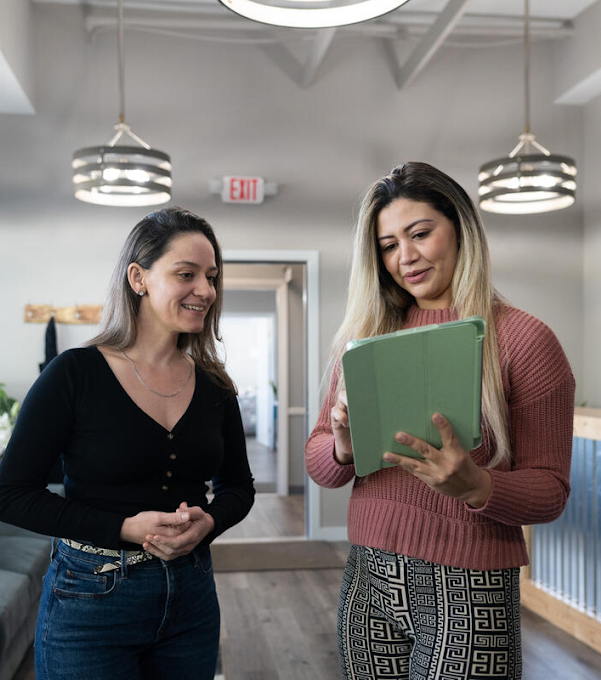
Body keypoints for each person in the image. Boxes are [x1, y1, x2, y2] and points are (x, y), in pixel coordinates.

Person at [305, 162, 575, 680]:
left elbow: (552, 491)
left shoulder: (525, 341)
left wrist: (477, 485)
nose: (405, 257)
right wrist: (342, 446)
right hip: (369, 576)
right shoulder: (362, 339)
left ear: (461, 229)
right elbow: (321, 463)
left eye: (420, 234)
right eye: (387, 245)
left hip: (470, 585)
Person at [0, 207, 255, 679]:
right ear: (138, 277)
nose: (206, 290)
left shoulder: (216, 386)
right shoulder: (73, 375)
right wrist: (124, 527)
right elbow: (10, 493)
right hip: (89, 600)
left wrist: (209, 522)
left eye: (212, 276)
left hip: (192, 594)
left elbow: (239, 486)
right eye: (187, 274)